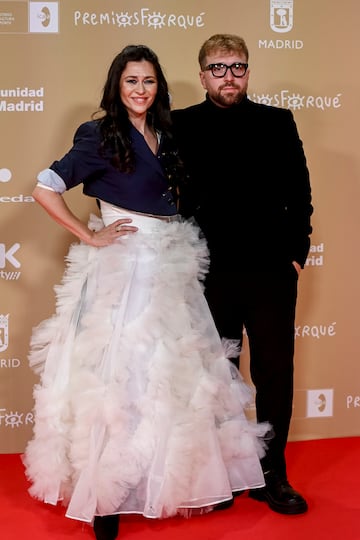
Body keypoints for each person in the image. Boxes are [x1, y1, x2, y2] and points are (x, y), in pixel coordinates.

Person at [22, 44, 270, 540]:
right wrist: (90, 235)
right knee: (117, 381)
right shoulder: (96, 135)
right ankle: (105, 498)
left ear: (159, 88)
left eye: (149, 81)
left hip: (172, 262)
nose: (140, 89)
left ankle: (184, 480)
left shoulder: (168, 133)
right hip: (124, 267)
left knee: (174, 376)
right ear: (118, 85)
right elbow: (44, 187)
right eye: (132, 80)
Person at [171, 34, 313, 515]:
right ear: (202, 74)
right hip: (210, 273)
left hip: (271, 271)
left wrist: (298, 251)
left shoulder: (277, 121)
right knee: (219, 375)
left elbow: (300, 190)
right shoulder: (181, 125)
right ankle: (229, 471)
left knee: (274, 370)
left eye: (237, 67)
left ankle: (274, 474)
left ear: (248, 72)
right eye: (218, 68)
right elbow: (169, 196)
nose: (228, 76)